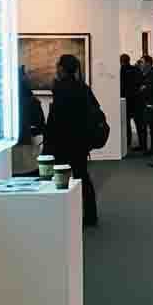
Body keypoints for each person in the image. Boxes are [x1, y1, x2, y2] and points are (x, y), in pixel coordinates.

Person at [43, 54, 99, 227]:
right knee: (82, 176)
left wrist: (48, 142)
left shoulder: (60, 89)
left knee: (60, 178)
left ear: (62, 68)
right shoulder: (82, 87)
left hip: (62, 142)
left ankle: (63, 215)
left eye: (58, 65)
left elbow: (55, 118)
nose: (56, 68)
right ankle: (90, 215)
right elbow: (94, 109)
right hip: (80, 141)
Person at [12, 66, 45, 176]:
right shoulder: (32, 101)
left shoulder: (7, 102)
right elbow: (40, 127)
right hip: (29, 156)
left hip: (10, 158)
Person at [120, 53, 145, 152]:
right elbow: (141, 83)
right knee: (140, 124)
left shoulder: (121, 71)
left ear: (121, 61)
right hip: (136, 100)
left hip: (126, 100)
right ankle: (143, 145)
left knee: (126, 124)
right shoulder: (136, 69)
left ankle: (127, 144)